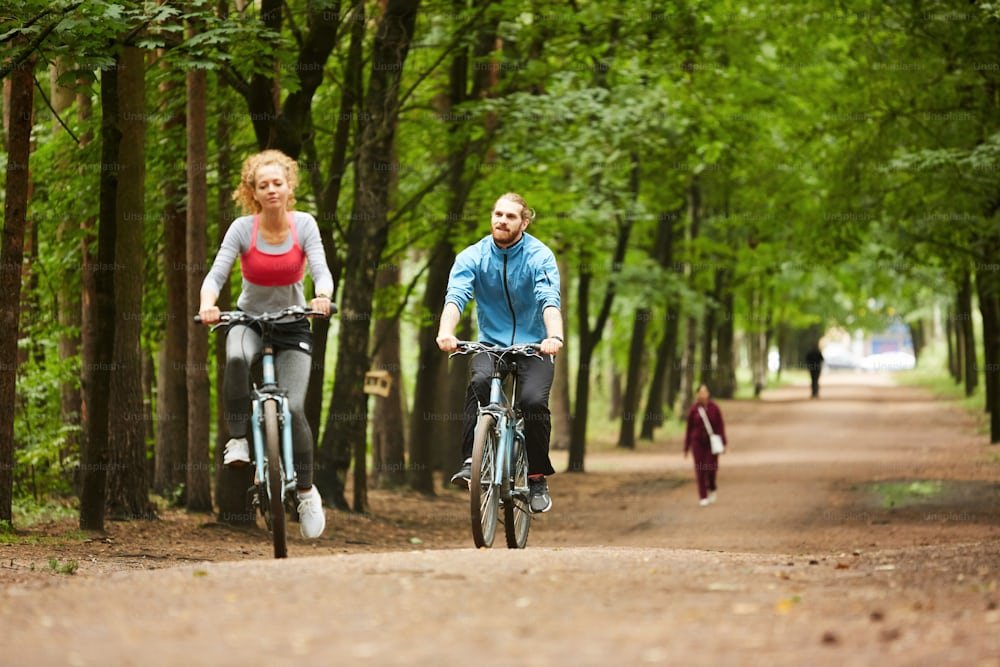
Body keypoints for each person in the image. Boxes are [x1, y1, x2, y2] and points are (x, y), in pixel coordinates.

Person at [198, 149, 333, 539]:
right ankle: (239, 440)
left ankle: (306, 491)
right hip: (248, 321)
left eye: (278, 183)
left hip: (293, 325)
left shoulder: (304, 225)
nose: (271, 190)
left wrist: (321, 297)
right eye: (263, 185)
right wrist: (208, 305)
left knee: (292, 406)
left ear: (289, 187)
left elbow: (322, 272)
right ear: (252, 192)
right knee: (237, 359)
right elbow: (216, 274)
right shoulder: (242, 229)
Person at [436, 192, 564, 513]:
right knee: (479, 382)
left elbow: (549, 299)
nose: (501, 221)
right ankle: (472, 460)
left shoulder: (539, 256)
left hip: (534, 346)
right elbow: (456, 298)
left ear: (524, 221)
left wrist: (554, 336)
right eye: (497, 214)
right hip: (491, 344)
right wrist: (446, 332)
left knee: (533, 402)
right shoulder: (473, 256)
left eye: (510, 216)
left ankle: (536, 476)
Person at [684, 383, 727, 507]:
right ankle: (703, 496)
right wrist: (686, 447)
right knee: (700, 469)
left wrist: (723, 442)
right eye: (700, 392)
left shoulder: (714, 408)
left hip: (712, 443)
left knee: (711, 468)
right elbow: (689, 429)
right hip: (697, 443)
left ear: (708, 393)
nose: (702, 394)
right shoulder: (694, 409)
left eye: (704, 391)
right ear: (697, 394)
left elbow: (720, 426)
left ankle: (712, 487)